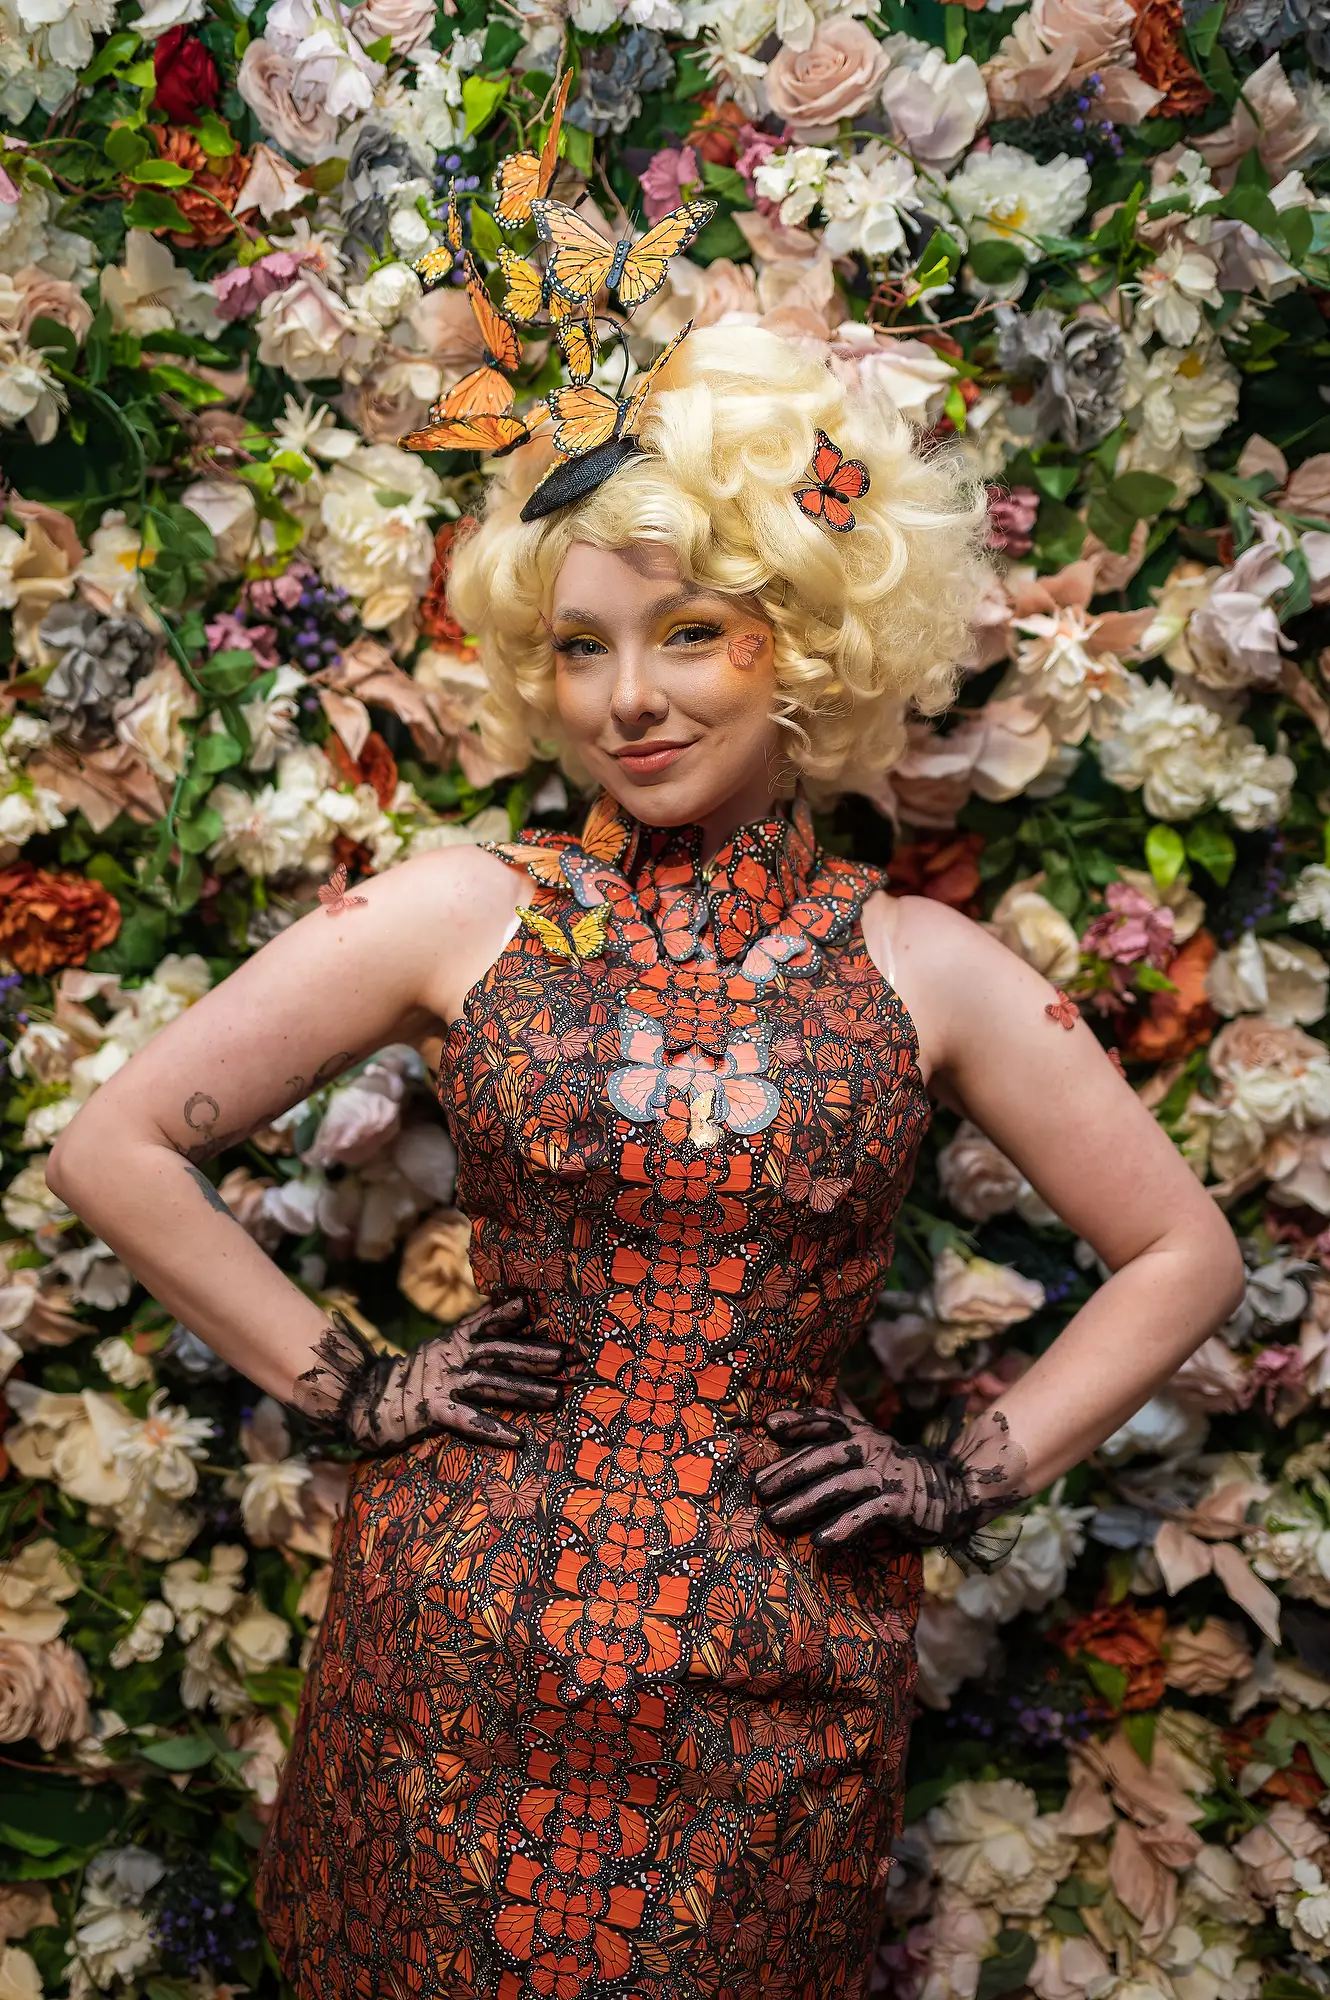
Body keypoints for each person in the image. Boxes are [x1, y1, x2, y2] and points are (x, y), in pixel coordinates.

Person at [46, 324, 1245, 2000]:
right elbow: (112, 1149)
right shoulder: (461, 908)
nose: (628, 698)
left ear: (803, 651)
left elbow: (1186, 1256)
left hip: (774, 1666)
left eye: (690, 634)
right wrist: (358, 1390)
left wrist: (958, 1477)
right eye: (582, 647)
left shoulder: (925, 964)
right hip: (449, 1651)